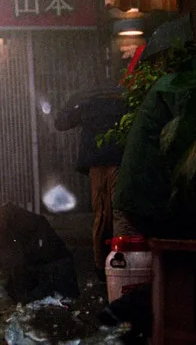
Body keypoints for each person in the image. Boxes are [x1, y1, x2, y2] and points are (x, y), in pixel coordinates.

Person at [54, 84, 125, 280]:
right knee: (117, 211)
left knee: (102, 213)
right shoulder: (124, 97)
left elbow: (61, 123)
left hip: (97, 162)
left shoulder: (85, 100)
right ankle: (119, 260)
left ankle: (101, 265)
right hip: (119, 159)